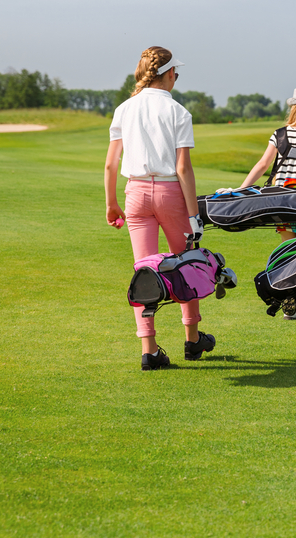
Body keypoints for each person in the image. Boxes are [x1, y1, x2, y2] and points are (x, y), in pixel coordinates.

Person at [104, 46, 215, 371]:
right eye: (175, 74)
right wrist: (194, 216)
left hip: (135, 194)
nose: (176, 79)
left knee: (145, 271)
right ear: (167, 74)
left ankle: (149, 349)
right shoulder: (178, 112)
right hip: (170, 194)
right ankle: (192, 338)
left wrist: (111, 204)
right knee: (189, 265)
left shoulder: (125, 108)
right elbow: (183, 169)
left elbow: (112, 163)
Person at [225, 87, 296, 320]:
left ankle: (286, 298)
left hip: (281, 202)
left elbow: (263, 165)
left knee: (286, 251)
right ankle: (292, 298)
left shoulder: (278, 133)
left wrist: (241, 190)